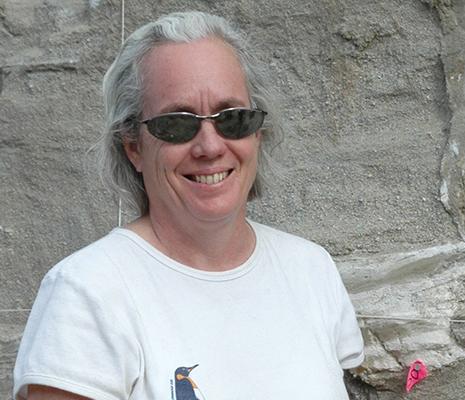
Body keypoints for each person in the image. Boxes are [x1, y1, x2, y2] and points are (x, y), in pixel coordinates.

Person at [13, 10, 364, 400]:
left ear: (258, 134)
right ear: (134, 148)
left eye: (233, 118)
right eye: (177, 124)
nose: (210, 147)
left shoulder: (311, 270)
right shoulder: (87, 293)